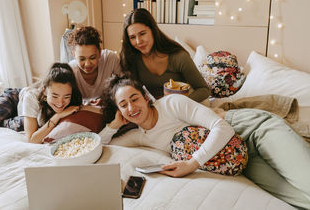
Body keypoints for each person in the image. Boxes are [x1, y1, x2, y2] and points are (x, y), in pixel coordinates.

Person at [99, 75, 310, 209]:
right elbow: (100, 144)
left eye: (134, 98)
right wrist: (115, 125)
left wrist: (192, 163)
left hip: (252, 130)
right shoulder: (140, 136)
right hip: (240, 159)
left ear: (146, 97)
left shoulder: (172, 103)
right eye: (123, 105)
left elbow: (223, 127)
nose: (131, 108)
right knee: (299, 200)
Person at [120, 8, 210, 102]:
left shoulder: (179, 57)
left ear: (153, 31)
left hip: (181, 107)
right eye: (133, 37)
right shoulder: (131, 59)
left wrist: (180, 104)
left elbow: (204, 90)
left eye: (142, 34)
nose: (138, 41)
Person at [68, 26, 121, 105]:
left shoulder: (111, 59)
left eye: (92, 57)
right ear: (73, 54)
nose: (87, 64)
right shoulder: (70, 70)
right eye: (82, 59)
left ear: (100, 52)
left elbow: (123, 86)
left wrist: (107, 99)